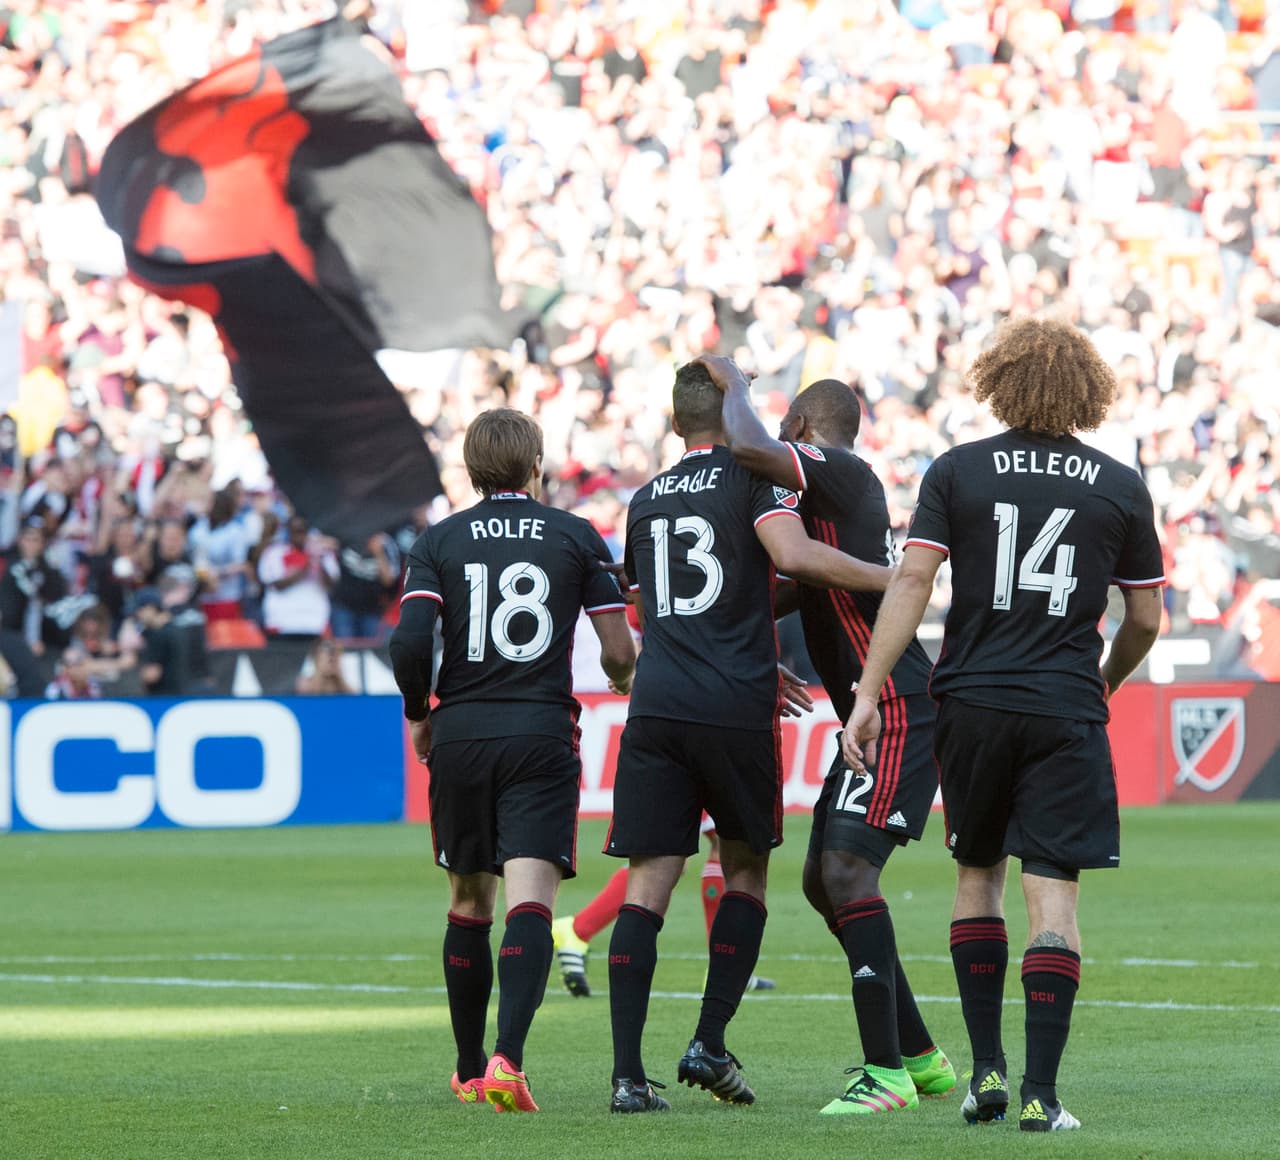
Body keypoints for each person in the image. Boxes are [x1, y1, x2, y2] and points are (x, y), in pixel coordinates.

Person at [842, 318, 1164, 1133]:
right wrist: (1104, 682)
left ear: (1000, 381)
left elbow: (914, 578)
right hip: (1062, 704)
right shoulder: (1120, 484)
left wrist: (869, 691)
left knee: (975, 876)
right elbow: (1146, 616)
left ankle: (985, 1071)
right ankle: (1040, 1096)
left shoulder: (959, 470)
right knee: (1051, 894)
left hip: (972, 703)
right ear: (1086, 388)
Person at [605, 359, 895, 1115]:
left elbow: (654, 599)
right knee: (744, 875)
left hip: (657, 703)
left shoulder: (642, 501)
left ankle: (628, 1078)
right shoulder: (753, 477)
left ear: (674, 423)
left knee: (647, 888)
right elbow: (792, 558)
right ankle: (708, 1039)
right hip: (735, 705)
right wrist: (892, 578)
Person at [711, 358, 955, 1115]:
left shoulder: (843, 471)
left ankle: (882, 1076)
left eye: (787, 432)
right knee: (825, 879)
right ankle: (918, 1057)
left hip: (897, 704)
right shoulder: (833, 513)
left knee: (848, 873)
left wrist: (733, 384)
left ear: (803, 433)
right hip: (872, 706)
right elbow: (789, 583)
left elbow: (749, 445)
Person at [389, 408, 636, 1114]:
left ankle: (467, 1069)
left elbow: (409, 643)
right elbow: (618, 651)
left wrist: (419, 714)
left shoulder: (438, 541)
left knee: (469, 903)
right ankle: (508, 1061)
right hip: (539, 734)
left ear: (470, 469)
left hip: (462, 734)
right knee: (532, 900)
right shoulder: (576, 536)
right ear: (537, 467)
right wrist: (621, 681)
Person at [551, 823, 777, 998]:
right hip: (688, 764)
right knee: (681, 851)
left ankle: (577, 929)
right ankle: (577, 929)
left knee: (676, 852)